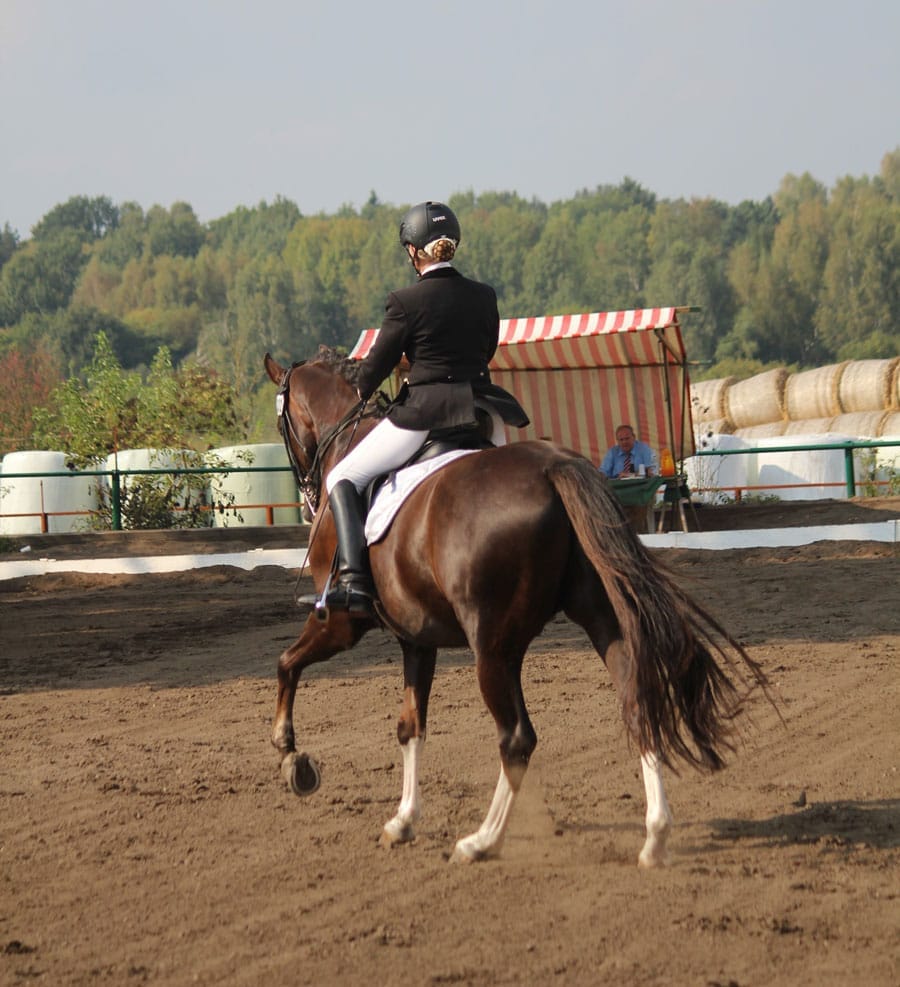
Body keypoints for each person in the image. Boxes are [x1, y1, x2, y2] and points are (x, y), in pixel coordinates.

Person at [320, 200, 529, 617]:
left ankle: (355, 582)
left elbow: (373, 371)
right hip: (482, 410)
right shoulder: (484, 296)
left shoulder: (405, 301)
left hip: (426, 413)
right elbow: (485, 350)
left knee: (342, 477)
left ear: (414, 252)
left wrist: (369, 382)